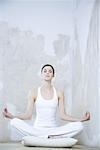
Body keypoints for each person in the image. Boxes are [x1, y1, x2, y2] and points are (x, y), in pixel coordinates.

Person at [3, 64, 90, 139]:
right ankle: (47, 137)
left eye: (50, 71)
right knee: (14, 122)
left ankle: (46, 137)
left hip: (54, 130)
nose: (47, 73)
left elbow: (63, 115)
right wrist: (12, 116)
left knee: (79, 126)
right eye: (45, 71)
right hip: (37, 130)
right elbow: (28, 115)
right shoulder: (33, 92)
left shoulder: (59, 93)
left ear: (53, 75)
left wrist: (81, 119)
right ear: (41, 74)